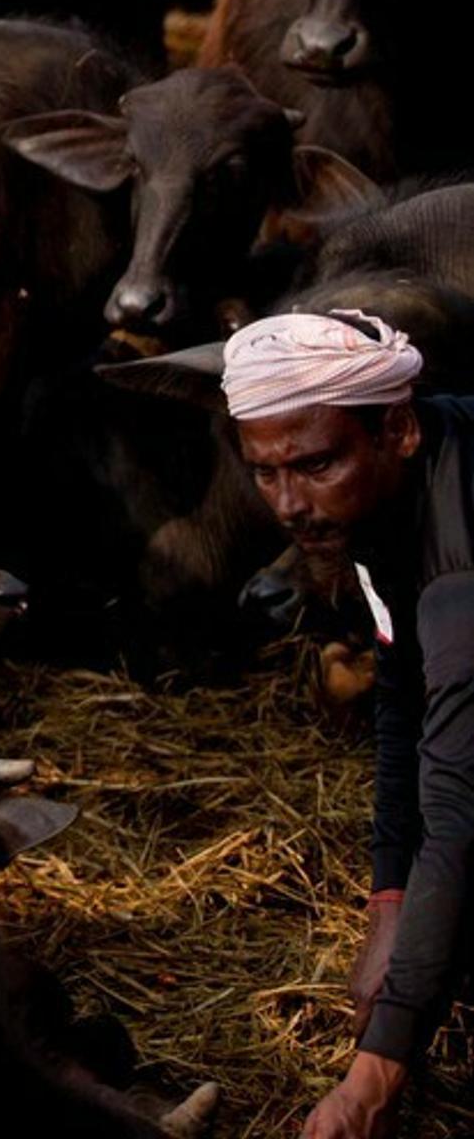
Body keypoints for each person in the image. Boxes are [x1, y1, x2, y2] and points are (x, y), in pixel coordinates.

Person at [222, 310, 470, 1139]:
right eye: (265, 473)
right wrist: (388, 905)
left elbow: (460, 802)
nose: (289, 505)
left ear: (393, 428)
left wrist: (369, 1082)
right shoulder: (377, 507)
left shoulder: (458, 571)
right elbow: (403, 696)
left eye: (315, 464)